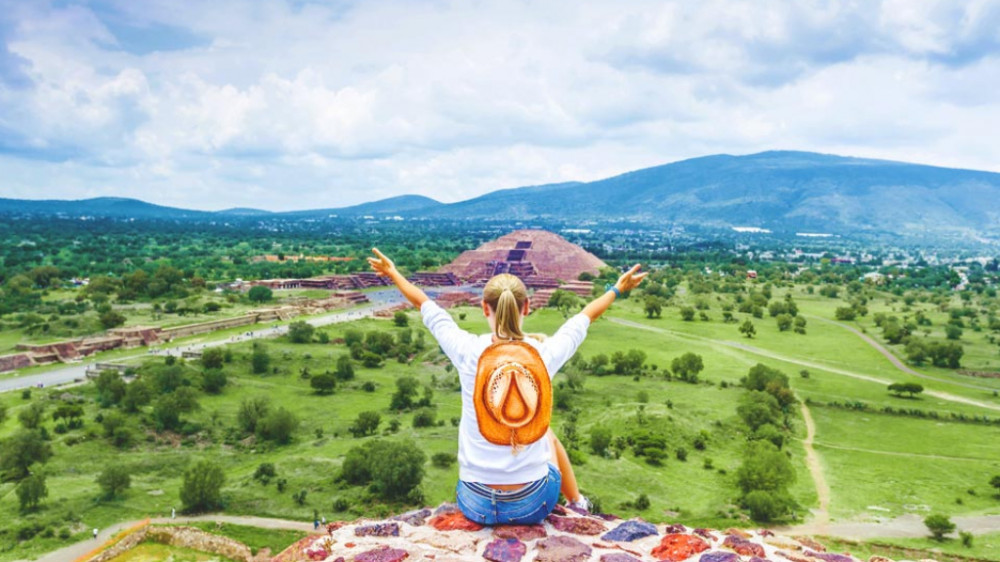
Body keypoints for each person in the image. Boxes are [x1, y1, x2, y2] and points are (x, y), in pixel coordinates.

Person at [368, 248, 646, 525]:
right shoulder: (542, 354)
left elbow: (425, 305)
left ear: (483, 307)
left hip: (475, 504)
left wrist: (393, 272)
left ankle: (572, 501)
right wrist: (618, 288)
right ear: (526, 307)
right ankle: (578, 503)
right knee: (545, 431)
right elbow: (584, 318)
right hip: (533, 505)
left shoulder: (467, 350)